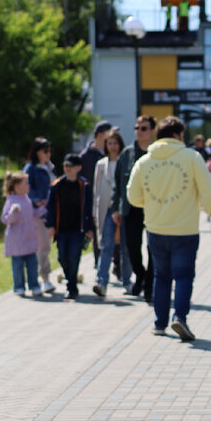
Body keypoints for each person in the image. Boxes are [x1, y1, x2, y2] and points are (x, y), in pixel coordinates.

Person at [126, 116, 211, 341]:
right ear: (179, 135)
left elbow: (132, 197)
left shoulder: (144, 161)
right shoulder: (192, 157)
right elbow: (207, 191)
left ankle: (159, 323)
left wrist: (151, 205)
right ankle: (180, 317)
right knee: (183, 276)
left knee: (161, 276)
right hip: (185, 229)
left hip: (155, 228)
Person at [113, 115, 156, 302]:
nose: (139, 131)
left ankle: (149, 286)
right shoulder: (127, 153)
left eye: (144, 128)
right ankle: (141, 274)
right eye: (137, 128)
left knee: (153, 247)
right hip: (131, 208)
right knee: (131, 246)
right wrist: (115, 207)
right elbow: (118, 182)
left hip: (154, 208)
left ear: (152, 131)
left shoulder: (158, 153)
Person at [45, 154, 95, 300]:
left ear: (79, 168)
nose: (68, 169)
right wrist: (50, 225)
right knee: (62, 258)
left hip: (77, 229)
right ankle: (70, 280)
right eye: (66, 166)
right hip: (61, 229)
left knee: (74, 256)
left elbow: (89, 208)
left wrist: (89, 227)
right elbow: (50, 207)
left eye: (71, 166)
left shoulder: (84, 185)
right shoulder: (57, 185)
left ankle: (71, 287)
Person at [91, 129, 132, 298]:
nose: (113, 146)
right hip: (106, 208)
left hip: (123, 209)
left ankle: (128, 281)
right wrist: (95, 211)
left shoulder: (126, 161)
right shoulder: (101, 164)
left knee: (125, 246)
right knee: (106, 245)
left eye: (115, 143)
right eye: (110, 143)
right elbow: (96, 189)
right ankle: (102, 281)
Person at [0, 171, 46, 297]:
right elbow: (5, 219)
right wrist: (13, 212)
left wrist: (43, 209)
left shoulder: (27, 199)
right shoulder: (10, 201)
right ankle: (19, 287)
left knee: (32, 265)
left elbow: (33, 215)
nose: (29, 185)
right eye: (26, 183)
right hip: (17, 243)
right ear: (17, 186)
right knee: (18, 267)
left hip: (29, 239)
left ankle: (34, 285)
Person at [23, 137, 57, 294]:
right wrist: (38, 201)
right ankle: (44, 279)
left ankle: (36, 279)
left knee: (45, 246)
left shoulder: (50, 168)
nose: (48, 154)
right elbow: (26, 188)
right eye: (45, 151)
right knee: (43, 246)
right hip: (38, 214)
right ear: (37, 151)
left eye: (50, 151)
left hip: (51, 212)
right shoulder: (31, 168)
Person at [80, 120, 112, 264]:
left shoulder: (112, 152)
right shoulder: (85, 157)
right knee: (97, 235)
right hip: (94, 203)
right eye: (108, 133)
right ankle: (99, 268)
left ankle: (115, 266)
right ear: (99, 135)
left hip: (111, 201)